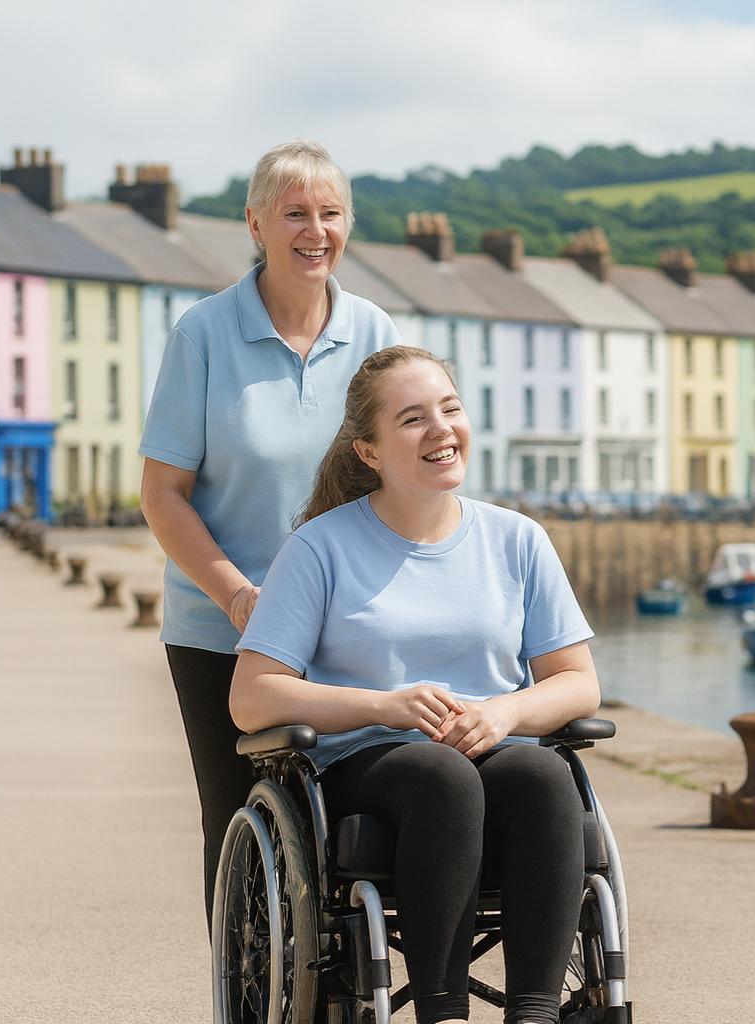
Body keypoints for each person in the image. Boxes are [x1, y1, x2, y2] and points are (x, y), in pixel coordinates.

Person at [231, 346, 601, 1024]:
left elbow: (576, 683)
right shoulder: (319, 548)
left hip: (487, 745)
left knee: (545, 777)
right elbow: (252, 694)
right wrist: (384, 705)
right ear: (369, 451)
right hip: (366, 762)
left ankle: (534, 1014)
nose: (440, 429)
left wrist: (503, 711)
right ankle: (443, 1012)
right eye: (412, 419)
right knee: (440, 775)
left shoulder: (517, 541)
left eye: (450, 409)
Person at [138, 139, 402, 926]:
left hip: (343, 625)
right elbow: (163, 493)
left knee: (354, 834)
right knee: (239, 841)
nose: (314, 230)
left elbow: (396, 473)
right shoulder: (204, 334)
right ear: (254, 223)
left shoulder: (373, 329)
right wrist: (237, 594)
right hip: (223, 630)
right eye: (295, 213)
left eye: (330, 213)